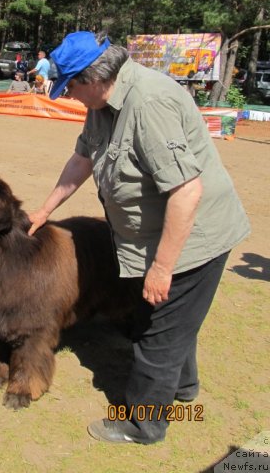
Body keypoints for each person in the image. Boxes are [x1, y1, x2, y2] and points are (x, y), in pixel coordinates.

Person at [28, 31, 250, 444]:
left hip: (194, 236)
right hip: (158, 233)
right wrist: (45, 209)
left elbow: (187, 191)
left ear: (91, 77)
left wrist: (162, 268)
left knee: (156, 330)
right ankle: (183, 390)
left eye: (70, 88)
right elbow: (83, 158)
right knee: (174, 321)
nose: (70, 96)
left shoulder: (148, 104)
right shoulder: (102, 102)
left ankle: (143, 424)